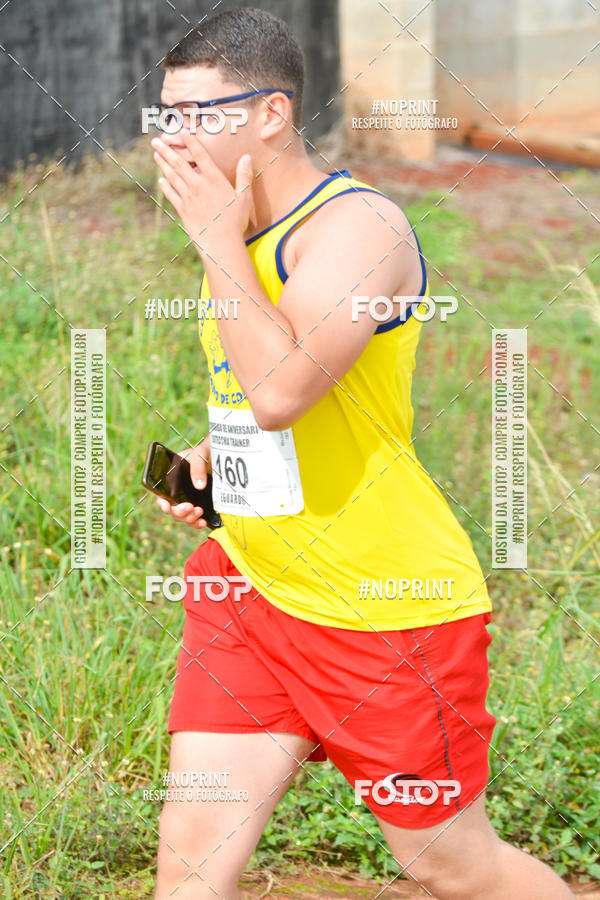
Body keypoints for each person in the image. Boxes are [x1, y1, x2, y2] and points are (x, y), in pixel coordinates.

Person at [150, 7, 574, 899]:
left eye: (199, 113)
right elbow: (252, 394)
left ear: (272, 114)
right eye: (166, 116)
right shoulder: (238, 227)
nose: (176, 138)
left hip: (383, 610)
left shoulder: (355, 231)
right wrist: (214, 455)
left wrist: (215, 240)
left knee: (449, 864)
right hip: (250, 586)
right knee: (192, 846)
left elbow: (282, 392)